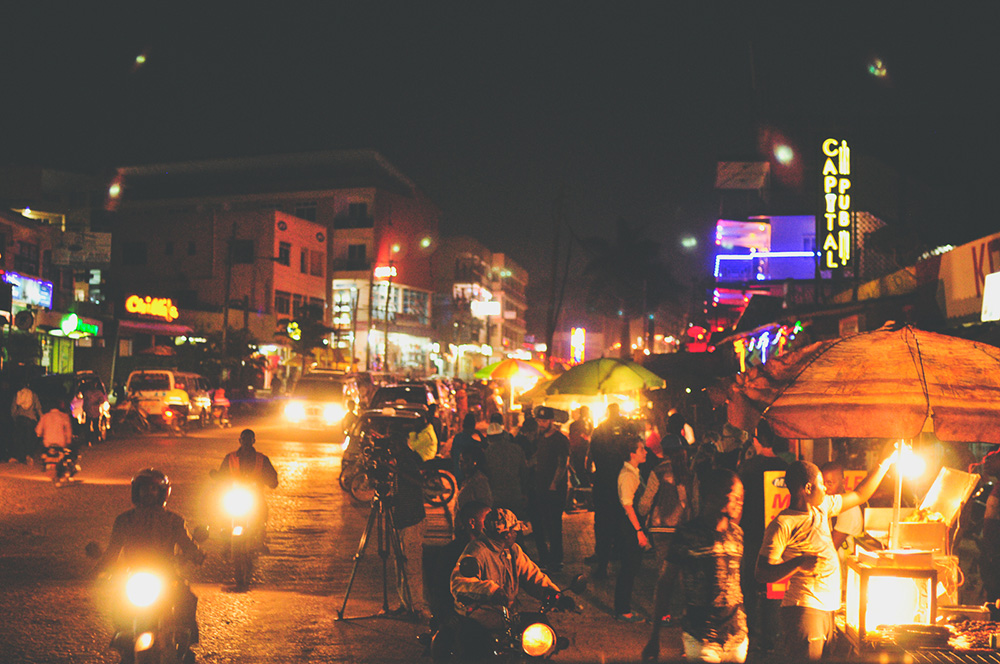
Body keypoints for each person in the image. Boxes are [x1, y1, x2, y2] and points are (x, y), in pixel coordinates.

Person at [756, 452, 896, 660]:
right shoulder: (783, 523)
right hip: (804, 610)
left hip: (827, 608)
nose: (825, 489)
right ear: (808, 488)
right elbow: (762, 573)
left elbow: (859, 495)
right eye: (822, 484)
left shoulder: (821, 508)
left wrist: (884, 463)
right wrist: (799, 563)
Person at [94, 468, 206, 660]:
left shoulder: (174, 521)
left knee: (187, 598)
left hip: (167, 575)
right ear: (136, 492)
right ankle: (124, 637)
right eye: (144, 489)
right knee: (119, 602)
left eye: (153, 489)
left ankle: (183, 640)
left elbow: (187, 544)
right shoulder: (124, 521)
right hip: (134, 575)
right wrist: (101, 568)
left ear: (162, 493)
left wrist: (195, 554)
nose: (148, 493)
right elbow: (113, 550)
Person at [642, 469, 746, 663]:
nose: (740, 503)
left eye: (741, 498)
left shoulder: (737, 534)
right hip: (701, 637)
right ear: (713, 496)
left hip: (736, 637)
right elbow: (665, 584)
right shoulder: (688, 534)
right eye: (735, 497)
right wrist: (654, 636)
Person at [450, 508, 569, 659]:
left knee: (540, 635)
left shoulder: (513, 551)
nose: (516, 534)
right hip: (479, 617)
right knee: (478, 655)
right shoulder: (477, 550)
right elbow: (459, 583)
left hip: (508, 617)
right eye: (515, 530)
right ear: (506, 534)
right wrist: (491, 591)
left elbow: (532, 575)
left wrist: (553, 593)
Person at [736, 421, 788, 656]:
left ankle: (749, 632)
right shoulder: (786, 467)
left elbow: (738, 499)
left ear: (757, 441)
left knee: (748, 584)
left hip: (751, 534)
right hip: (777, 535)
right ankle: (770, 635)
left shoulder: (747, 468)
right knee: (773, 585)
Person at [386, 425, 430, 620]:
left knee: (411, 565)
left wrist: (396, 470)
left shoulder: (408, 460)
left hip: (412, 519)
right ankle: (406, 604)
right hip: (401, 519)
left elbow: (418, 482)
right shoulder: (400, 460)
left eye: (393, 444)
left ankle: (417, 607)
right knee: (400, 565)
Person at [426, 500, 490, 629]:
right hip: (461, 616)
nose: (492, 524)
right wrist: (447, 614)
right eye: (487, 520)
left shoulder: (494, 548)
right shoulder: (452, 553)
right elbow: (440, 589)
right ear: (472, 522)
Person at [218, 429, 279, 550]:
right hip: (234, 494)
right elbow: (221, 474)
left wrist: (272, 481)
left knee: (262, 511)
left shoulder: (262, 459)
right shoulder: (230, 458)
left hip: (254, 496)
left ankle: (260, 537)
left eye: (249, 439)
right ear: (240, 441)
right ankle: (225, 538)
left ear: (253, 441)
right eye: (244, 439)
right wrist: (218, 479)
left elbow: (271, 475)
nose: (246, 442)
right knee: (222, 511)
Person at [587, 402, 628, 577]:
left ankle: (603, 561)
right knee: (620, 520)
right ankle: (618, 554)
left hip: (603, 481)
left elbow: (590, 456)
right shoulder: (627, 429)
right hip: (620, 480)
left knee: (603, 522)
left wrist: (590, 475)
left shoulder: (601, 429)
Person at [531, 405, 570, 572]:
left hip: (555, 489)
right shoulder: (540, 438)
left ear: (552, 421)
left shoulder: (561, 440)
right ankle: (545, 559)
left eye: (544, 420)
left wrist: (554, 483)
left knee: (554, 524)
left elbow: (563, 463)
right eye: (539, 420)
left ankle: (556, 560)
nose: (541, 423)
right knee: (542, 523)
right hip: (540, 486)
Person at [615, 435, 649, 623]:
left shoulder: (634, 472)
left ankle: (623, 607)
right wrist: (638, 531)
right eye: (641, 449)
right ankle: (623, 609)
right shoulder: (627, 476)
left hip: (633, 527)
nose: (645, 452)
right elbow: (628, 505)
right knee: (628, 568)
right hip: (629, 528)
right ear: (632, 453)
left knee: (631, 567)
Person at [484, 413, 528, 517]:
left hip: (495, 496)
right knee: (514, 525)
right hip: (514, 494)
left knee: (497, 526)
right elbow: (524, 472)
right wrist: (525, 493)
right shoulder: (516, 449)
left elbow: (485, 475)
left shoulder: (487, 452)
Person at [36, 399, 75, 469]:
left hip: (47, 443)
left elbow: (38, 431)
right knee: (69, 454)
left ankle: (43, 462)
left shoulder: (45, 417)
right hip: (61, 442)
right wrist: (69, 440)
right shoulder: (64, 416)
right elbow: (68, 430)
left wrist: (41, 435)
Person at [11, 382, 42, 464]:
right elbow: (38, 408)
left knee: (20, 439)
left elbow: (13, 409)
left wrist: (14, 418)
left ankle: (21, 456)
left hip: (20, 419)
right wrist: (41, 419)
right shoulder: (33, 395)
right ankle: (29, 455)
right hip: (31, 420)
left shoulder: (18, 395)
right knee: (29, 439)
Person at [451, 413, 484, 485]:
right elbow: (484, 444)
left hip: (457, 472)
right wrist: (479, 433)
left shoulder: (457, 437)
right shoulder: (470, 442)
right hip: (466, 474)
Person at [457, 446, 493, 510]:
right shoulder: (467, 479)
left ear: (475, 462)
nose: (462, 464)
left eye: (466, 460)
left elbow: (485, 504)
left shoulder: (479, 481)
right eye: (461, 461)